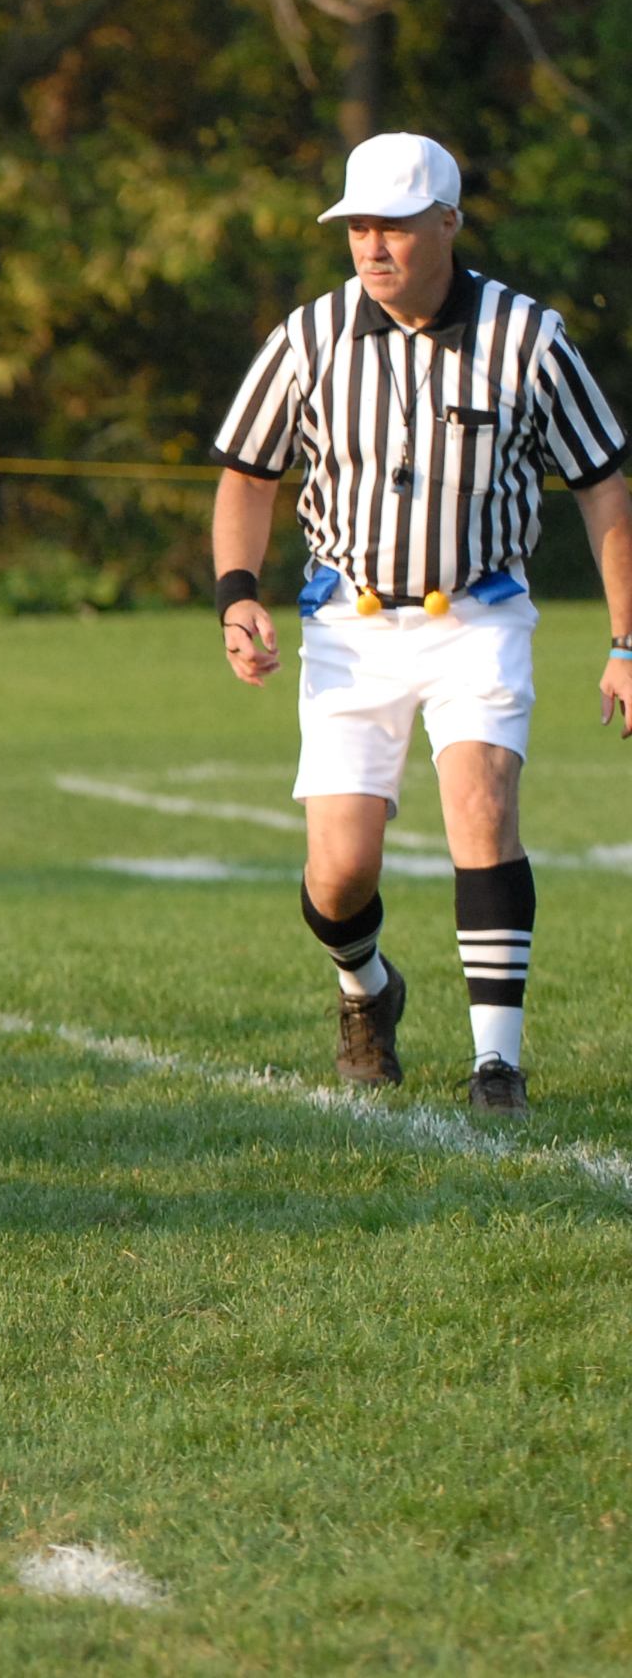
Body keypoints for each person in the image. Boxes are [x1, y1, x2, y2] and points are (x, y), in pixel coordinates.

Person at [211, 132, 632, 1118]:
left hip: (479, 613)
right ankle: (367, 988)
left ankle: (497, 1066)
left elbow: (604, 485)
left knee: (481, 804)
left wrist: (626, 640)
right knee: (339, 872)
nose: (373, 245)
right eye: (358, 225)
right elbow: (246, 475)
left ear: (448, 223)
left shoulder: (528, 338)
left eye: (394, 225)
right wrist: (237, 594)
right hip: (349, 624)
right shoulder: (308, 337)